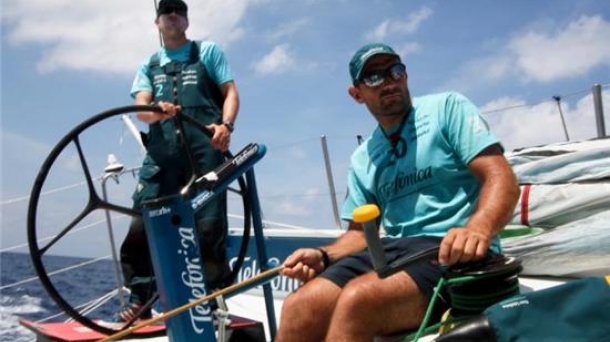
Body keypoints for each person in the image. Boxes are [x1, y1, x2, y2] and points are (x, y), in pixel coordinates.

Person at [275, 43, 520, 342]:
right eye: (374, 77)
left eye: (395, 70)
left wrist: (478, 228)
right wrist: (323, 255)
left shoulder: (447, 108)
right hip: (395, 252)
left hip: (451, 249)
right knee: (298, 306)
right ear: (356, 94)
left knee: (359, 299)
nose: (389, 81)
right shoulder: (363, 157)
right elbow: (360, 233)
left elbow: (500, 176)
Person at [118, 0, 239, 321]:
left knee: (209, 227)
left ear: (186, 20)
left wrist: (226, 126)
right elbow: (142, 111)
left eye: (179, 10)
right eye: (166, 11)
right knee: (140, 222)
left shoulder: (208, 52)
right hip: (161, 156)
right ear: (157, 22)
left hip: (205, 154)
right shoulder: (149, 65)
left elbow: (230, 91)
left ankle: (212, 300)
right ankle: (140, 299)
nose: (172, 15)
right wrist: (157, 109)